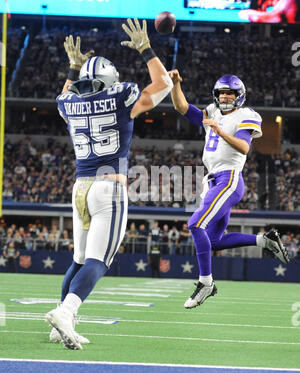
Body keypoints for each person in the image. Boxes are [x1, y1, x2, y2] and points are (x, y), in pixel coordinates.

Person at [45, 18, 173, 350]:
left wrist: (72, 70)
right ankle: (66, 311)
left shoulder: (68, 103)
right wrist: (146, 48)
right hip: (109, 189)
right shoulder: (122, 96)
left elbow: (65, 94)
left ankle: (62, 325)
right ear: (110, 80)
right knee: (99, 261)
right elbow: (163, 85)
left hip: (80, 189)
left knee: (79, 259)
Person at [169, 70, 290, 309]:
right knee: (213, 240)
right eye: (221, 93)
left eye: (230, 93)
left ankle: (206, 283)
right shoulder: (212, 112)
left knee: (195, 224)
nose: (225, 97)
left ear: (239, 95)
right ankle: (265, 241)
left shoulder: (247, 115)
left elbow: (244, 147)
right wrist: (175, 85)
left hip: (229, 178)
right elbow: (182, 107)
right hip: (212, 180)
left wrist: (220, 131)